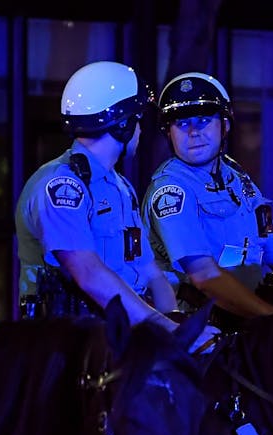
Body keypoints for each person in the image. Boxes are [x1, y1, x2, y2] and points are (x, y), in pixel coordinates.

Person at [141, 72, 273, 324]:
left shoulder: (238, 180)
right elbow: (203, 276)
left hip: (252, 320)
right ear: (168, 133)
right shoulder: (171, 190)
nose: (193, 132)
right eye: (182, 124)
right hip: (199, 329)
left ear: (225, 125)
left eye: (204, 120)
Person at [15, 61, 175, 324]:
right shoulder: (62, 186)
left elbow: (150, 272)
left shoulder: (121, 187)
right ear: (122, 125)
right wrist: (163, 327)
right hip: (74, 343)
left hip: (125, 333)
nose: (141, 130)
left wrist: (174, 321)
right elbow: (87, 273)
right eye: (138, 120)